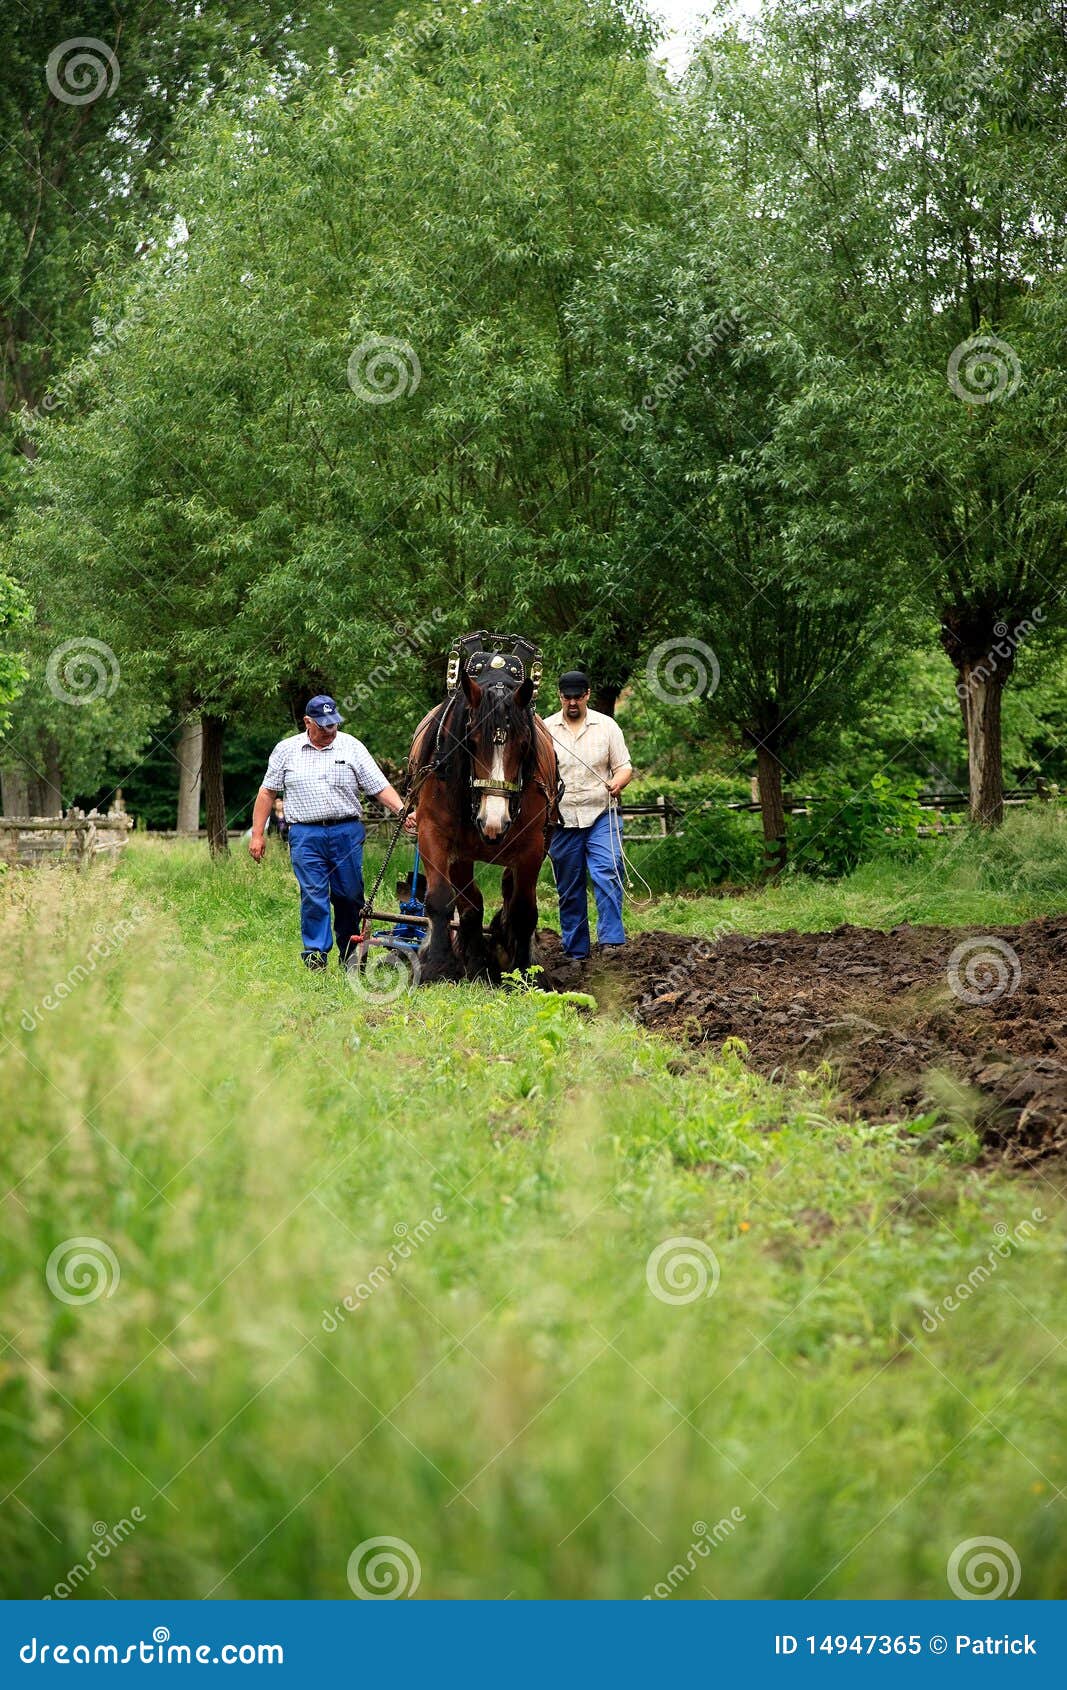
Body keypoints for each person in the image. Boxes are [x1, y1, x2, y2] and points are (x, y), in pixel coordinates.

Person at [249, 695, 411, 970]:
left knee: (349, 896)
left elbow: (378, 786)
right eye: (323, 726)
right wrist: (257, 835)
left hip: (345, 832)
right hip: (305, 835)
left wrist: (403, 813)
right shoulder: (286, 750)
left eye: (333, 725)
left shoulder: (351, 747)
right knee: (313, 895)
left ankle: (351, 953)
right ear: (307, 722)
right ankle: (315, 957)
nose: (330, 731)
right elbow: (267, 792)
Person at [544, 670, 634, 960]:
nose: (572, 702)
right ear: (560, 696)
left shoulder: (607, 726)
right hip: (562, 819)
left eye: (577, 697)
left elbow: (624, 766)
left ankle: (611, 943)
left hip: (601, 813)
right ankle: (576, 951)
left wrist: (619, 781)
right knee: (569, 889)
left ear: (587, 695)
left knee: (607, 872)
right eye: (567, 697)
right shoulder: (544, 730)